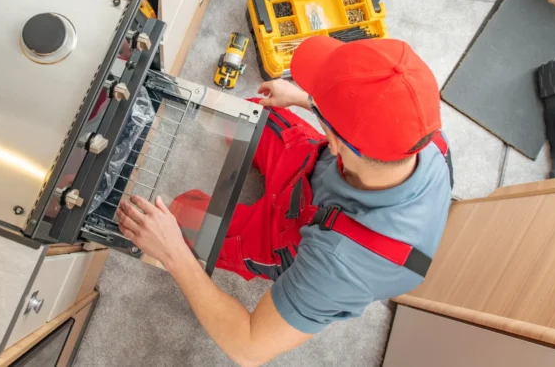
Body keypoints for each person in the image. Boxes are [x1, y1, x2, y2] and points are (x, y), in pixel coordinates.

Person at [116, 36, 453, 366]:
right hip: (312, 165)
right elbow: (368, 119)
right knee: (246, 110)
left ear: (335, 139)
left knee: (179, 218)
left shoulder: (340, 268)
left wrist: (173, 253)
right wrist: (307, 99)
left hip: (292, 235)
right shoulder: (421, 132)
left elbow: (248, 347)